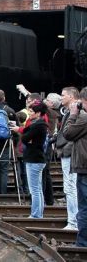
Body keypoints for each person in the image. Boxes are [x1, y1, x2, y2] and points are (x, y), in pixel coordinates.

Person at [13, 100, 49, 219]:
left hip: (34, 158)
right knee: (37, 188)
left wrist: (27, 138)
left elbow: (25, 138)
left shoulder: (38, 125)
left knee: (34, 189)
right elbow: (27, 137)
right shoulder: (40, 124)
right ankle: (39, 213)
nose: (29, 112)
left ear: (38, 113)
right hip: (37, 158)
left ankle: (36, 214)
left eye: (32, 111)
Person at [63, 86, 87, 246]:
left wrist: (72, 114)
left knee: (84, 207)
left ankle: (82, 243)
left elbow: (68, 133)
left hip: (84, 166)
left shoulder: (84, 118)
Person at [55, 86, 79, 230]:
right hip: (67, 152)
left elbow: (73, 133)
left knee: (71, 187)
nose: (61, 97)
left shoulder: (75, 112)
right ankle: (73, 220)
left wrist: (65, 149)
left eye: (63, 95)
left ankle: (73, 222)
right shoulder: (68, 112)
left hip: (69, 154)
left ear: (71, 96)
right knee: (70, 187)